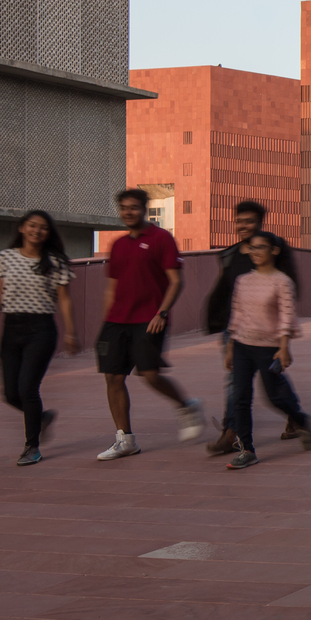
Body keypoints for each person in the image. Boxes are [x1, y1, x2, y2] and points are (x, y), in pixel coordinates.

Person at [96, 188, 203, 460]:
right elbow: (113, 285)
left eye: (133, 207)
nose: (128, 212)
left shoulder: (161, 238)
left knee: (149, 374)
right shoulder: (118, 244)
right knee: (113, 377)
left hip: (149, 318)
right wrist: (107, 318)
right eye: (123, 208)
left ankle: (186, 406)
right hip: (117, 320)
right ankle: (125, 439)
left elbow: (176, 281)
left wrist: (162, 313)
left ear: (145, 209)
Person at [0, 210, 80, 465]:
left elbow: (65, 299)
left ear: (49, 233)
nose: (37, 231)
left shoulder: (55, 261)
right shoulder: (6, 258)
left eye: (43, 227)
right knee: (10, 394)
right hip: (12, 328)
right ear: (23, 228)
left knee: (27, 388)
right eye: (32, 226)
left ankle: (31, 446)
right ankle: (41, 418)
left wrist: (71, 332)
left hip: (41, 329)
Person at [202, 200, 302, 456]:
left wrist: (284, 339)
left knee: (273, 379)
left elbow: (289, 286)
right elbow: (225, 289)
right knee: (235, 381)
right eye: (239, 221)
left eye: (249, 221)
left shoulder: (273, 249)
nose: (243, 226)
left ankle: (295, 414)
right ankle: (231, 433)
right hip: (236, 328)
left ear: (260, 223)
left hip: (268, 331)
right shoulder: (231, 253)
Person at [222, 231, 311, 469]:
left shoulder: (282, 282)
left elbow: (286, 316)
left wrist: (284, 347)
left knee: (274, 396)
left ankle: (301, 419)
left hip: (269, 349)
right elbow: (237, 314)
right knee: (241, 399)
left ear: (274, 251)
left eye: (261, 247)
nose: (255, 252)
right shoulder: (243, 280)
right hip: (242, 345)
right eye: (252, 248)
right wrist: (231, 346)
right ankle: (247, 450)